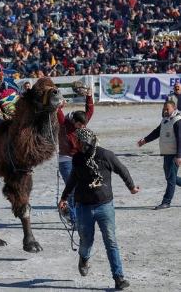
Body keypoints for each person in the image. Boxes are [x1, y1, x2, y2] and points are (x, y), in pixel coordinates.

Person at [58, 128, 140, 290]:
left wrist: (131, 187)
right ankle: (84, 258)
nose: (80, 147)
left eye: (83, 144)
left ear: (90, 142)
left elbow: (122, 169)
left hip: (105, 206)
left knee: (111, 242)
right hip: (83, 207)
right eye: (79, 143)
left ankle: (118, 277)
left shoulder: (105, 155)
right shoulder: (78, 159)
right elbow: (73, 179)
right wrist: (64, 197)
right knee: (86, 241)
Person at [57, 86, 94, 224]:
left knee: (80, 188)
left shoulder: (82, 121)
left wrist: (89, 96)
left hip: (79, 159)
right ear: (74, 122)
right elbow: (57, 111)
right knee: (71, 188)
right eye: (80, 126)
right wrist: (59, 103)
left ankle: (73, 213)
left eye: (84, 125)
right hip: (65, 160)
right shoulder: (63, 123)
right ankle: (74, 219)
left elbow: (89, 111)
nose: (82, 128)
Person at [137, 100, 181, 210]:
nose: (165, 111)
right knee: (170, 177)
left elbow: (180, 139)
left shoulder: (177, 121)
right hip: (167, 153)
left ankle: (166, 202)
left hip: (174, 154)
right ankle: (167, 201)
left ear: (174, 109)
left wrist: (179, 156)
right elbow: (157, 132)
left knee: (170, 179)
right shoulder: (165, 120)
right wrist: (145, 140)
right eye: (164, 109)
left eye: (168, 109)